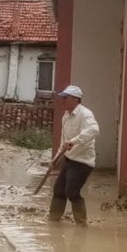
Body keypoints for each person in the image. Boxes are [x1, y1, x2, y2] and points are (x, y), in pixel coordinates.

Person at [50, 85, 100, 226]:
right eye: (63, 98)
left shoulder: (85, 114)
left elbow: (94, 130)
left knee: (71, 192)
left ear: (75, 99)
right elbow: (64, 141)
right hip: (69, 158)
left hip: (83, 161)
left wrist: (74, 141)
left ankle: (81, 224)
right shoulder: (66, 116)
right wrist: (56, 159)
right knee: (58, 190)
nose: (63, 101)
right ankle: (53, 221)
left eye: (66, 98)